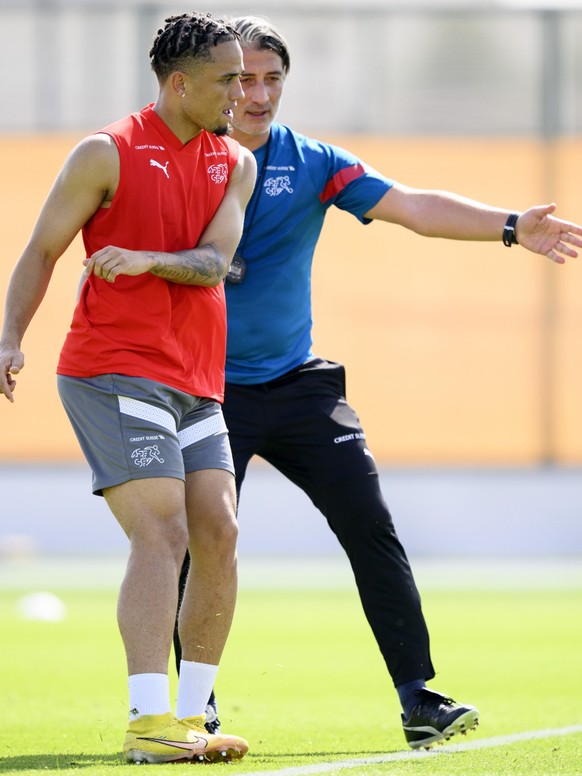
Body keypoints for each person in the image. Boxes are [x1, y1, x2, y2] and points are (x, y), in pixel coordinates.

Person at [171, 14, 582, 752]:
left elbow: (416, 207)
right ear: (217, 81)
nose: (257, 94)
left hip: (300, 387)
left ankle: (419, 697)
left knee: (371, 526)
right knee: (201, 542)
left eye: (271, 79)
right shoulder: (178, 161)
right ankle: (192, 711)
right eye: (243, 79)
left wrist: (514, 224)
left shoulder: (315, 161)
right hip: (206, 389)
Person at [0, 12, 256, 765]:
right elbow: (42, 250)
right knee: (164, 528)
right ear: (180, 84)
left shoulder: (231, 163)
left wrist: (144, 259)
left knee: (220, 532)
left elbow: (215, 264)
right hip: (111, 367)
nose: (241, 92)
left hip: (195, 376)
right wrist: (9, 338)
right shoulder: (104, 153)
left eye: (245, 77)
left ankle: (191, 717)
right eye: (227, 79)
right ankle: (149, 725)